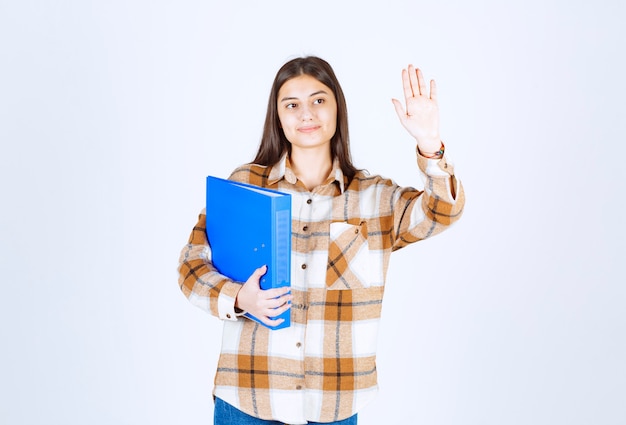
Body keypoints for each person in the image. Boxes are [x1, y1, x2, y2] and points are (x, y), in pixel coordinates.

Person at [178, 56, 465, 425]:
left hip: (334, 404)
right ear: (278, 117)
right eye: (292, 105)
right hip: (247, 397)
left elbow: (442, 212)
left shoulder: (375, 198)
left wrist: (430, 144)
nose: (306, 114)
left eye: (318, 100)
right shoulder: (245, 185)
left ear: (337, 108)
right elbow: (191, 264)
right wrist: (238, 297)